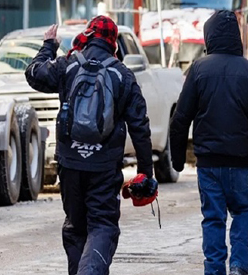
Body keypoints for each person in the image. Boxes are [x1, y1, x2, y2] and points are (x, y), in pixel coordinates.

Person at [25, 16, 157, 275]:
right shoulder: (123, 75)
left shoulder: (69, 65)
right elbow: (140, 127)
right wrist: (146, 174)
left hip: (70, 164)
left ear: (88, 35)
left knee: (76, 228)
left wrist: (48, 45)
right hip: (104, 167)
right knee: (103, 226)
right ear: (113, 42)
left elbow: (34, 74)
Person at [169, 10, 248, 275]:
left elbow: (180, 119)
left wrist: (178, 161)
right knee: (245, 211)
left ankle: (214, 270)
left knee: (213, 218)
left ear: (209, 37)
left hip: (208, 164)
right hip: (239, 164)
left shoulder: (199, 70)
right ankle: (239, 265)